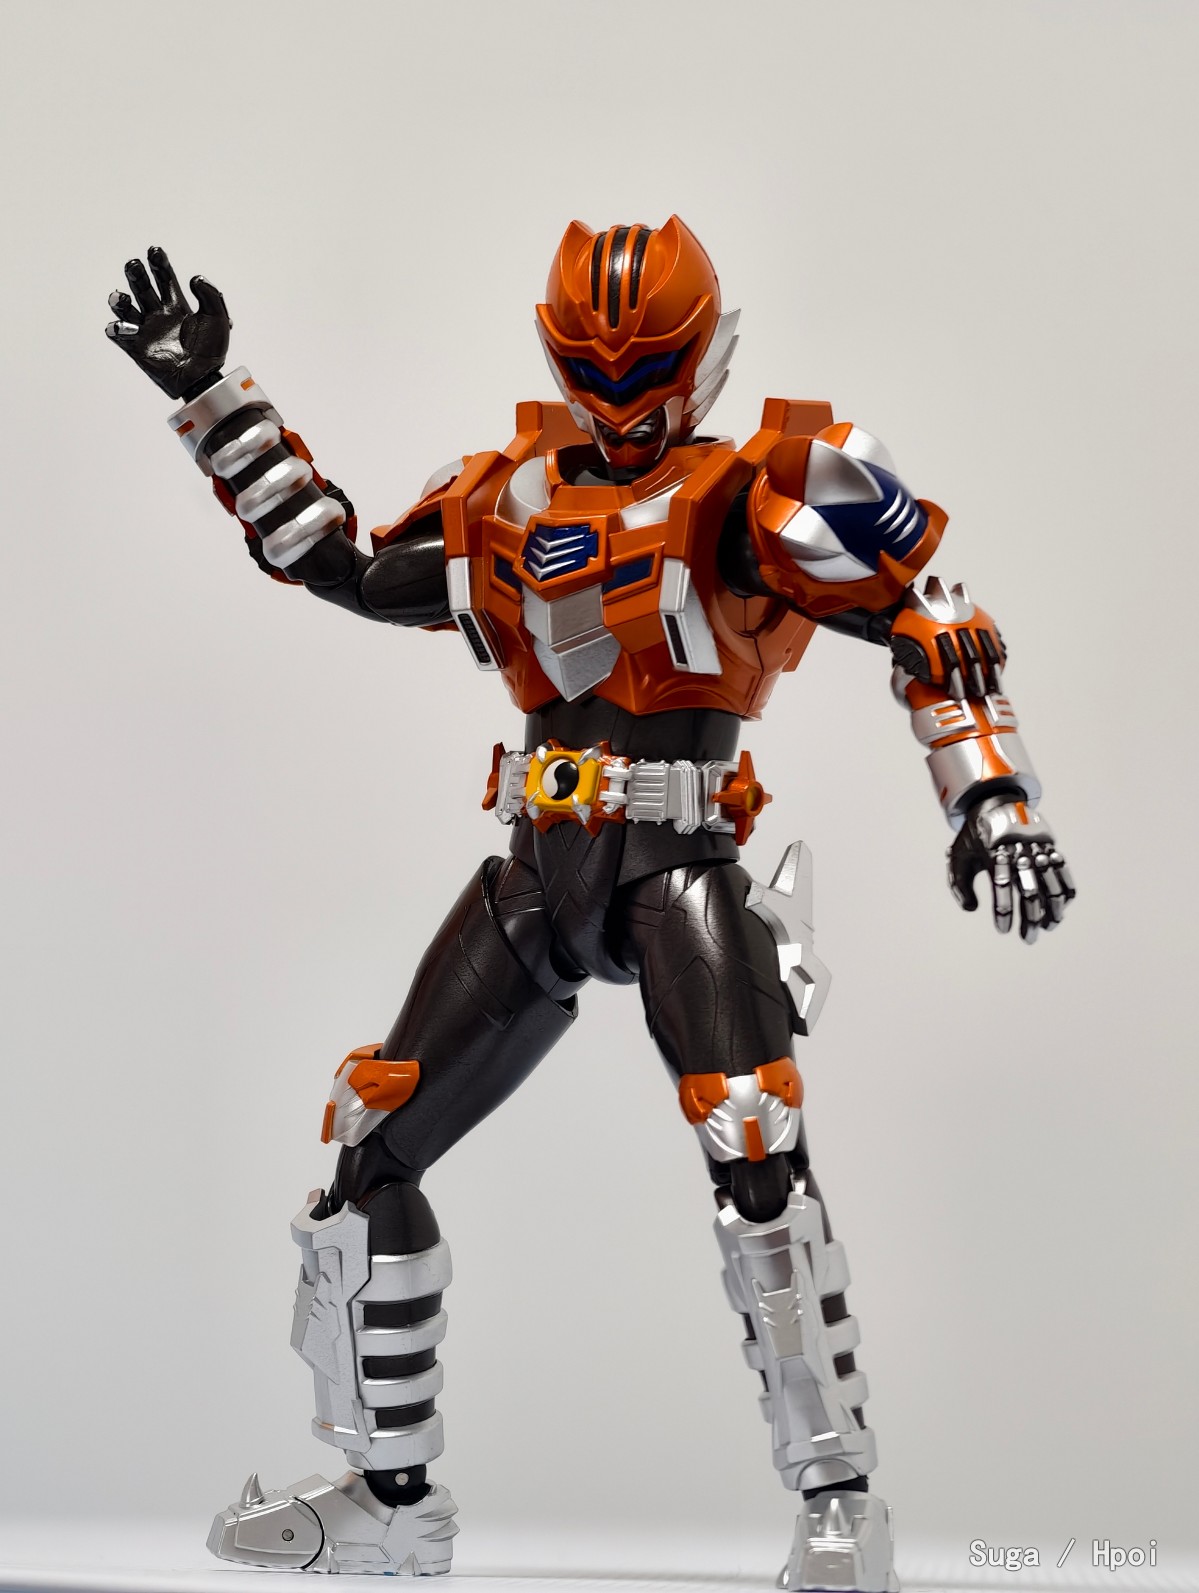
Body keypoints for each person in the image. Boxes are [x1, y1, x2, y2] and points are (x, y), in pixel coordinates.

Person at [106, 218, 1074, 1590]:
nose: (623, 401)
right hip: (536, 875)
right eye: (597, 369)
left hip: (678, 868)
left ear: (702, 356)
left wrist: (991, 799)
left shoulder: (754, 490)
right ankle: (391, 1503)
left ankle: (841, 1509)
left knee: (756, 1153)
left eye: (649, 369)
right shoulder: (509, 498)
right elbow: (344, 566)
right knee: (374, 1141)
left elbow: (928, 616)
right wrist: (216, 399)